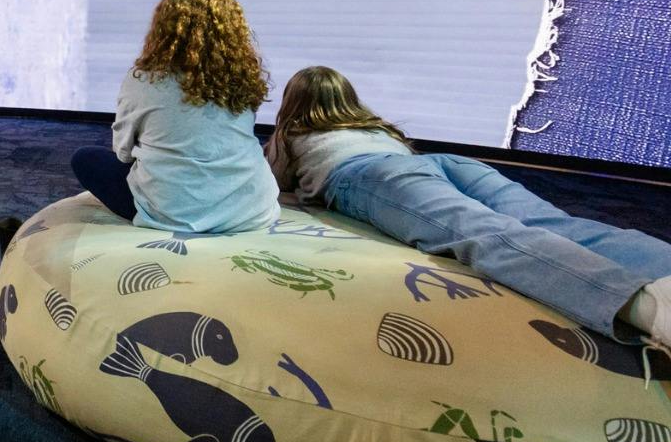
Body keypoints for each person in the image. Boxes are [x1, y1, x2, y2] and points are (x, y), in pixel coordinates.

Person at [266, 66, 671, 346]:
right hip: (440, 163)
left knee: (485, 234)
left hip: (371, 177)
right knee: (551, 221)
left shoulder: (292, 134)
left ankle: (646, 308)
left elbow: (273, 183)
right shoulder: (370, 125)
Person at [71, 0, 278, 233]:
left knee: (85, 158)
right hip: (251, 209)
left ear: (163, 29)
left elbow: (122, 152)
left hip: (173, 213)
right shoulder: (243, 79)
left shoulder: (143, 80)